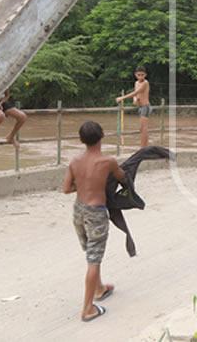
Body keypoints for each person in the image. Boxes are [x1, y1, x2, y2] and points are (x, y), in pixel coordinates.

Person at [62, 121, 126, 322]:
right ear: (102, 136)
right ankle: (88, 309)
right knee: (94, 259)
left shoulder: (74, 161)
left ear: (81, 140)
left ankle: (99, 289)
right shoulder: (108, 161)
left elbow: (65, 189)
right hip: (96, 213)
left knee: (91, 253)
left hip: (78, 211)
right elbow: (123, 178)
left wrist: (83, 185)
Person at [116, 66, 151, 148]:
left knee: (144, 129)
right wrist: (135, 99)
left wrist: (122, 98)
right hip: (140, 107)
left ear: (145, 75)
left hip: (145, 107)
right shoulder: (136, 83)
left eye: (142, 75)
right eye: (139, 75)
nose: (140, 77)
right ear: (135, 75)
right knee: (141, 129)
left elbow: (136, 92)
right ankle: (143, 147)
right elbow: (136, 95)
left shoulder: (145, 83)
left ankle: (143, 148)